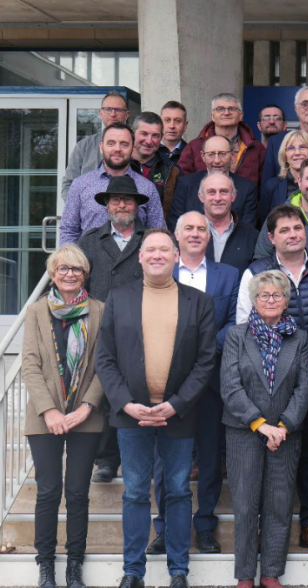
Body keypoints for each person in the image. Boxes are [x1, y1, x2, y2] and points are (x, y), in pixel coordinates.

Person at [95, 228, 216, 588]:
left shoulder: (199, 302)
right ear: (140, 257)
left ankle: (179, 571)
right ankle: (133, 572)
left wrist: (176, 404)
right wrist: (126, 404)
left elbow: (205, 361)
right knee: (134, 492)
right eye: (151, 250)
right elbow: (105, 358)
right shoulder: (119, 298)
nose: (158, 255)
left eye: (165, 249)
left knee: (178, 491)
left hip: (178, 415)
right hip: (131, 416)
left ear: (176, 256)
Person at [239, 204, 308, 553]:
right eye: (284, 230)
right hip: (269, 383)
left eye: (298, 228)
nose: (293, 234)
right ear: (271, 237)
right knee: (266, 457)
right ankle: (261, 529)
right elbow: (244, 329)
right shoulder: (256, 272)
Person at [147, 212, 240, 557]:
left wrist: (202, 351)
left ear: (209, 236)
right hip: (166, 381)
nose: (196, 233)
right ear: (177, 235)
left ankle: (204, 526)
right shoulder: (161, 272)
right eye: (189, 228)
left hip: (212, 380)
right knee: (165, 459)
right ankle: (165, 527)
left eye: (202, 229)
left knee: (211, 456)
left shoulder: (228, 275)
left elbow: (234, 322)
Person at [221, 269, 308, 588]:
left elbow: (303, 387)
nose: (271, 300)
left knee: (279, 503)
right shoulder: (236, 336)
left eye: (277, 295)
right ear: (254, 300)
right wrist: (261, 425)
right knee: (245, 505)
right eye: (264, 295)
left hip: (286, 434)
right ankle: (245, 575)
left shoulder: (299, 337)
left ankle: (271, 573)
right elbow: (230, 386)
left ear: (286, 301)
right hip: (244, 431)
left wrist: (284, 426)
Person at [23, 245, 105, 588]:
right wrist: (50, 410)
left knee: (76, 493)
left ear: (84, 274)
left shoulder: (99, 310)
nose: (69, 274)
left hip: (86, 416)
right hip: (44, 417)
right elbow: (30, 364)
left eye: (76, 269)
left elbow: (104, 365)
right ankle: (45, 566)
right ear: (53, 274)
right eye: (63, 269)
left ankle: (74, 566)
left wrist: (86, 406)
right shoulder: (36, 311)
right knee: (48, 491)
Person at [76, 179, 148, 483]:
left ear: (137, 206)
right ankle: (106, 460)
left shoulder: (152, 238)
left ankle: (142, 459)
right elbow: (79, 285)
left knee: (139, 392)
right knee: (103, 394)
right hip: (101, 329)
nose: (122, 205)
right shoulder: (90, 241)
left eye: (128, 200)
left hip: (143, 329)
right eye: (116, 200)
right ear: (107, 204)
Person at [60, 124, 164, 245]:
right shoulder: (80, 185)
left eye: (124, 144)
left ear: (133, 149)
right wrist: (71, 257)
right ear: (101, 147)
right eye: (111, 143)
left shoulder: (147, 188)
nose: (117, 149)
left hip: (135, 256)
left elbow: (158, 234)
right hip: (88, 256)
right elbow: (69, 231)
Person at [171, 134, 259, 229]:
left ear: (232, 155)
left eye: (222, 154)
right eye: (211, 154)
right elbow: (176, 224)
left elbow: (248, 229)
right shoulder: (185, 184)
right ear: (203, 156)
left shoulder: (247, 188)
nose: (217, 160)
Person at [178, 93, 266, 185]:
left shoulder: (256, 148)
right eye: (220, 109)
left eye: (232, 109)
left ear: (240, 116)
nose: (226, 113)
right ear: (212, 116)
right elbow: (184, 183)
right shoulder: (194, 146)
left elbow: (264, 185)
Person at [62, 91, 130, 200]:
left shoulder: (135, 146)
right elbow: (68, 184)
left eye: (118, 110)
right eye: (107, 109)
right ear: (100, 113)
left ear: (126, 115)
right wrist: (80, 206)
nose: (113, 114)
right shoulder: (84, 146)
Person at [198, 172, 260, 274]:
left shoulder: (252, 237)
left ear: (233, 196)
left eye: (224, 192)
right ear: (201, 197)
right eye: (211, 192)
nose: (217, 198)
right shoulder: (185, 235)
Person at [259, 129, 308, 223]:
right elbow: (264, 223)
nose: (297, 153)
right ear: (285, 155)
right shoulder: (272, 186)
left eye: (302, 147)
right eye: (291, 148)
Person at [130, 111, 180, 219]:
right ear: (132, 132)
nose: (149, 141)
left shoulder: (172, 171)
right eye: (144, 134)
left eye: (155, 136)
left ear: (161, 137)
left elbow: (176, 213)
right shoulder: (119, 165)